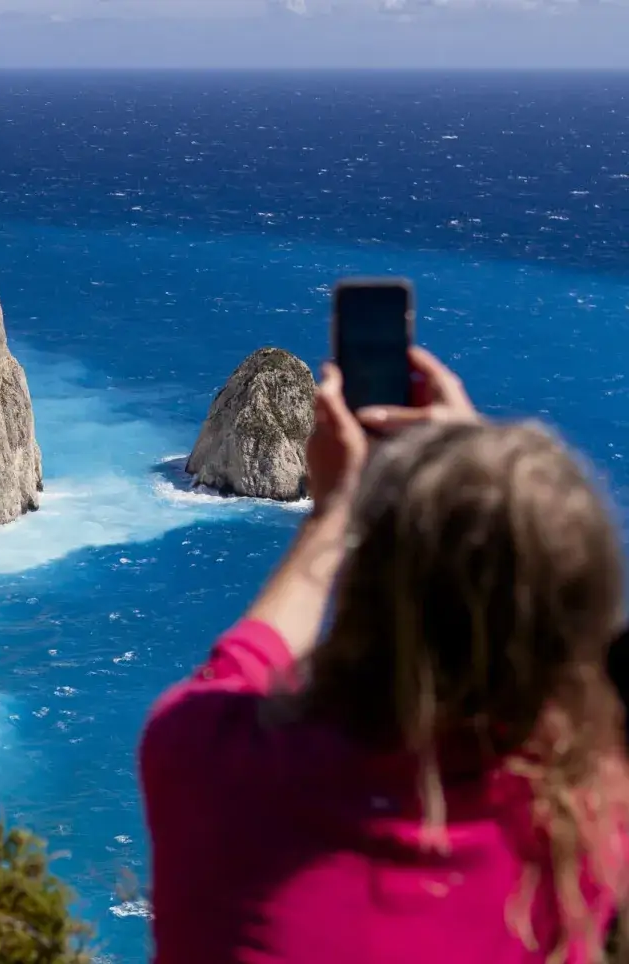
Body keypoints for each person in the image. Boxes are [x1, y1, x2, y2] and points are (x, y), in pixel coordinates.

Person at [139, 347, 629, 964]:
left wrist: (332, 514)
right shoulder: (588, 824)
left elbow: (240, 663)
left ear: (366, 588)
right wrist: (489, 491)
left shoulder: (204, 760)